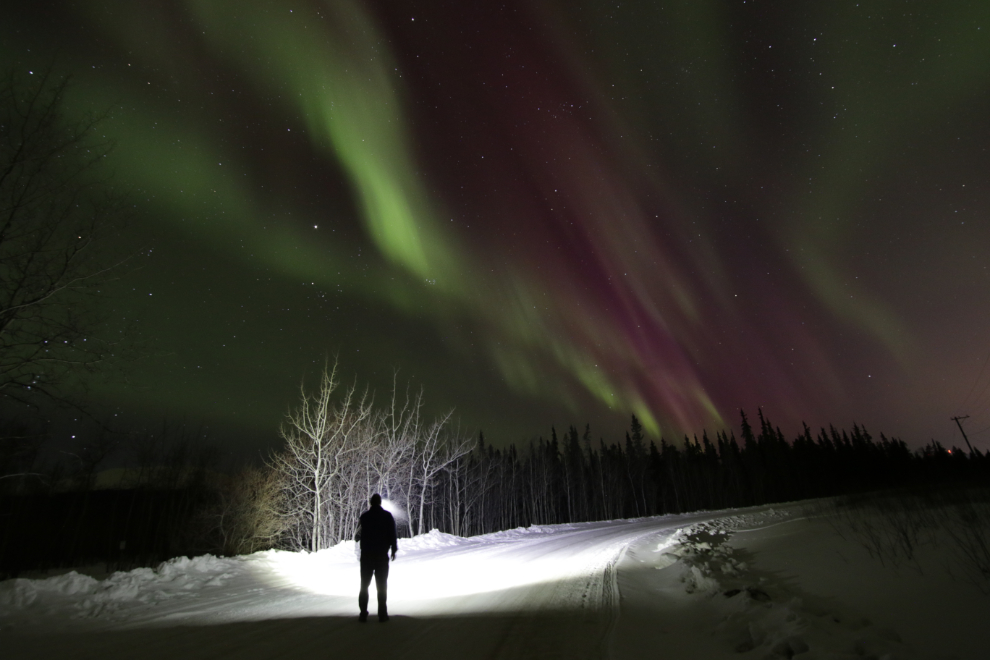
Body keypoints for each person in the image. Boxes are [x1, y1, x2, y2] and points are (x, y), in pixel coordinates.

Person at [354, 493, 398, 622]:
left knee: (364, 586)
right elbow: (392, 534)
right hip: (381, 556)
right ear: (380, 503)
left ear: (370, 502)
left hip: (366, 556)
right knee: (382, 585)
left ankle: (363, 613)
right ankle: (382, 614)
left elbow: (357, 536)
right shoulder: (387, 516)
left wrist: (359, 553)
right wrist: (394, 549)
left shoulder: (364, 517)